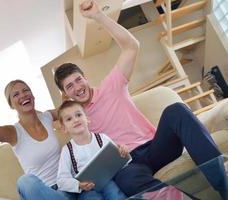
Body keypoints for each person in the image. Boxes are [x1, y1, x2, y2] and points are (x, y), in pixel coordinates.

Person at [53, 0, 228, 199]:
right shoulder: (76, 118)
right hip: (127, 163)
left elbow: (131, 46)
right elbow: (48, 120)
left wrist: (98, 16)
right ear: (65, 94)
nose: (77, 87)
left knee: (176, 110)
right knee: (125, 180)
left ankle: (225, 185)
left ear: (85, 78)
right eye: (69, 86)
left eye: (78, 80)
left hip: (155, 147)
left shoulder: (112, 85)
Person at [0, 68, 86, 200]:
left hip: (68, 184)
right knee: (25, 182)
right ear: (11, 105)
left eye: (26, 90)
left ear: (33, 96)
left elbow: (68, 108)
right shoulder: (13, 132)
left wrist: (64, 83)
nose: (23, 95)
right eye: (15, 94)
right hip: (43, 193)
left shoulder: (47, 117)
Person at [56, 100, 127, 200]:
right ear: (64, 128)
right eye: (69, 119)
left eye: (79, 115)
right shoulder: (67, 150)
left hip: (107, 182)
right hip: (86, 191)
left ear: (87, 119)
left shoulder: (102, 138)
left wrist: (122, 151)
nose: (75, 120)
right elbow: (61, 180)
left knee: (115, 194)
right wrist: (79, 185)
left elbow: (119, 160)